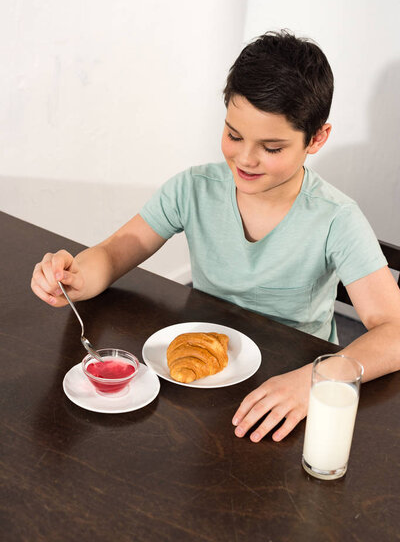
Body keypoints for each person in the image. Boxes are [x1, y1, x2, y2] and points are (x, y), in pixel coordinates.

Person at [31, 30, 400, 443]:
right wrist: (76, 275)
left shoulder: (337, 219)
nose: (244, 159)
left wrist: (314, 381)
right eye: (234, 135)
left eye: (272, 148)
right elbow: (119, 250)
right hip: (206, 378)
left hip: (291, 381)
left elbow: (395, 330)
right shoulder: (193, 188)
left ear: (316, 139)